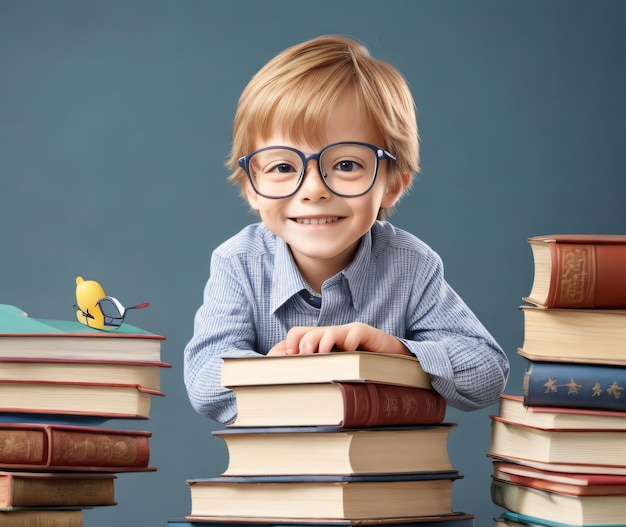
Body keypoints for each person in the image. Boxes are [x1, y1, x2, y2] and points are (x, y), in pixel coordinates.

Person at [184, 34, 509, 425]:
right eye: (283, 167)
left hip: (381, 480)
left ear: (393, 185)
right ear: (251, 186)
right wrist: (273, 372)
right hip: (276, 479)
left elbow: (488, 372)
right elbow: (203, 379)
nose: (314, 190)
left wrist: (399, 352)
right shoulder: (239, 262)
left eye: (347, 164)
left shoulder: (410, 264)